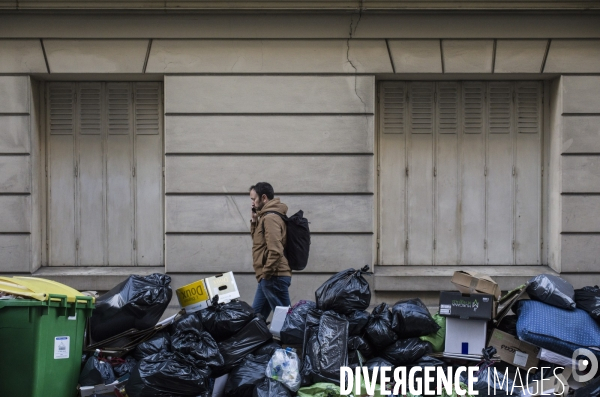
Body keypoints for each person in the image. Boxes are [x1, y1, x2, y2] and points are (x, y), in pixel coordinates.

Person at [249, 182, 292, 319]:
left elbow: (275, 250)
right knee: (255, 320)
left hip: (274, 276)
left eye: (254, 199)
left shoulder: (270, 218)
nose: (252, 203)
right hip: (270, 277)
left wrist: (266, 274)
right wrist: (255, 220)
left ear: (264, 198)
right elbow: (259, 243)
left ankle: (298, 341)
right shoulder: (265, 217)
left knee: (287, 321)